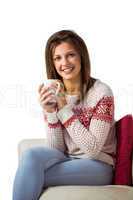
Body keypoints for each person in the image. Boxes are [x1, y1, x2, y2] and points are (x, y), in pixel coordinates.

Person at [13, 30, 116, 200]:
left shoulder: (102, 93)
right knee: (30, 156)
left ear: (81, 56)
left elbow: (92, 149)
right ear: (52, 63)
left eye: (70, 55)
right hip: (68, 159)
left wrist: (63, 109)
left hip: (99, 165)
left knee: (30, 176)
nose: (65, 63)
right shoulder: (55, 91)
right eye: (58, 58)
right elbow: (57, 150)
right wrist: (50, 112)